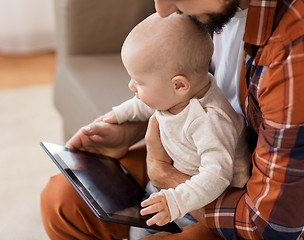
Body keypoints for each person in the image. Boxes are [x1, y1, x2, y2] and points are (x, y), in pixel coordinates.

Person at [40, 0, 304, 239]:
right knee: (62, 201)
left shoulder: (292, 53)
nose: (163, 10)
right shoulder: (207, 14)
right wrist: (123, 126)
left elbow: (267, 227)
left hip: (230, 192)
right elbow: (176, 93)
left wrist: (165, 176)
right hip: (184, 156)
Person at [100, 12, 250, 236]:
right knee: (135, 226)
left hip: (198, 201)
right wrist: (116, 116)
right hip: (171, 185)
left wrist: (175, 201)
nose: (131, 86)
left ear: (179, 85)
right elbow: (146, 103)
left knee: (143, 231)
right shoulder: (180, 93)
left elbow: (216, 176)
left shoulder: (209, 121)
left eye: (139, 82)